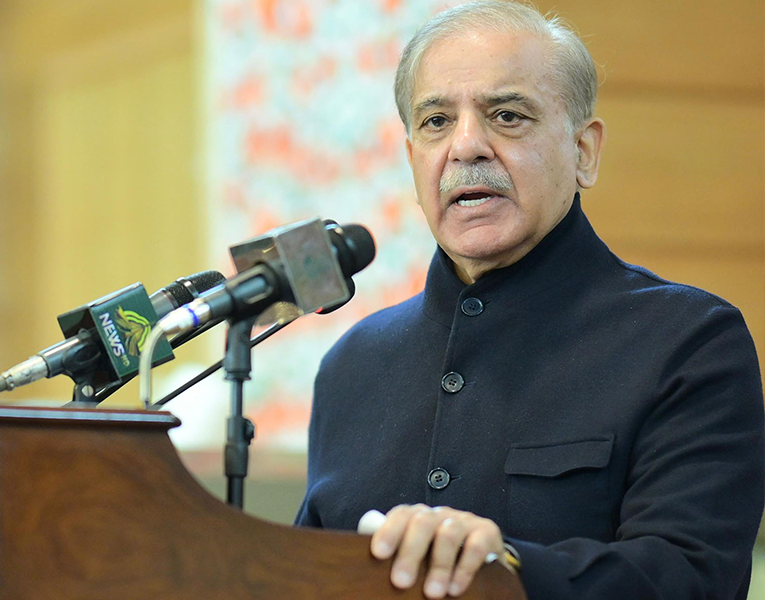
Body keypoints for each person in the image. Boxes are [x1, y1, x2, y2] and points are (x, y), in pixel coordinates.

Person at [295, 1, 765, 599]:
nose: (466, 147)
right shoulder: (352, 364)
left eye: (508, 115)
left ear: (584, 153)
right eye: (436, 121)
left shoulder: (689, 340)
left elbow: (691, 578)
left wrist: (504, 568)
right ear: (411, 156)